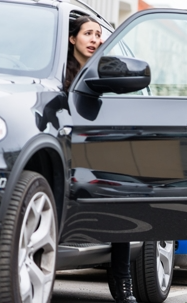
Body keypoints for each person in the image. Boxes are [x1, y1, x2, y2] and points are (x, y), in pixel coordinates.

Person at [65, 16, 136, 303]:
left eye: (99, 34)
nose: (95, 39)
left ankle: (121, 276)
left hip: (100, 151)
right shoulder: (59, 73)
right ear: (73, 39)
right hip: (65, 150)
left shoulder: (107, 74)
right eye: (88, 34)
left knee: (121, 196)